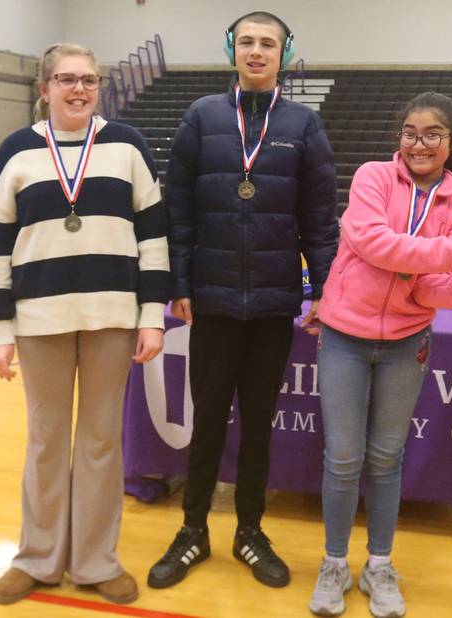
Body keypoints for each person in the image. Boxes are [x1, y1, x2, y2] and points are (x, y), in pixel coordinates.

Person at [147, 11, 338, 590]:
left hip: (274, 306)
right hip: (212, 301)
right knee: (208, 421)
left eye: (268, 44)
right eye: (248, 42)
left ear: (285, 54)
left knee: (258, 424)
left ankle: (250, 531)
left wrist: (324, 290)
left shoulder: (303, 125)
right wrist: (180, 284)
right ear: (232, 49)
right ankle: (193, 529)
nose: (257, 52)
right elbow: (178, 211)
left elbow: (320, 221)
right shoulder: (201, 117)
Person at [309, 91, 452, 618]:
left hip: (407, 343)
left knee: (385, 458)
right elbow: (374, 244)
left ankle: (379, 564)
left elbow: (432, 288)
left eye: (432, 135)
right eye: (410, 133)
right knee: (343, 457)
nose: (418, 144)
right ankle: (334, 562)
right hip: (344, 336)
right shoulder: (373, 177)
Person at [0, 43, 169, 605]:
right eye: (66, 79)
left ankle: (95, 561)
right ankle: (36, 558)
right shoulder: (16, 150)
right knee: (46, 440)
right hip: (39, 319)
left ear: (99, 87)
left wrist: (152, 316)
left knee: (101, 440)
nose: (79, 89)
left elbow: (153, 236)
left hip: (112, 316)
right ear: (45, 88)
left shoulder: (128, 145)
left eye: (88, 79)